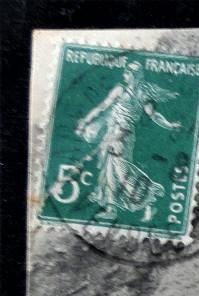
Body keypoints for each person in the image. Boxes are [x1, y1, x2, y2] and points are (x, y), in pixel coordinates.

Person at [74, 61, 182, 221]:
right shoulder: (121, 89)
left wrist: (170, 125)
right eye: (125, 72)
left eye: (127, 72)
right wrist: (86, 120)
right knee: (109, 168)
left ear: (134, 75)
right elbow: (102, 106)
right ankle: (111, 208)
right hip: (113, 130)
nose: (124, 75)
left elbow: (153, 116)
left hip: (123, 134)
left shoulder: (142, 94)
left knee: (120, 169)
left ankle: (149, 198)